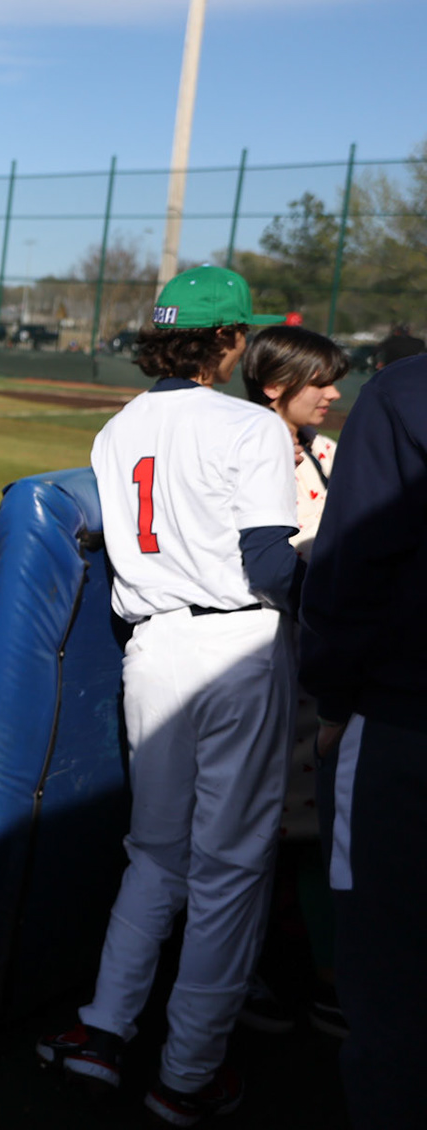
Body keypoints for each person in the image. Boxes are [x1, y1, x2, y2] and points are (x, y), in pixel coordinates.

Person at [37, 265, 296, 1127]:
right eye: (239, 333)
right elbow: (268, 567)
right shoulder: (251, 426)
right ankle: (188, 1071)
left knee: (154, 852)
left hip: (151, 649)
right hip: (235, 647)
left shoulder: (118, 429)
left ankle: (104, 1031)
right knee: (229, 867)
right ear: (224, 342)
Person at [300, 352, 427, 1129]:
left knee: (391, 978)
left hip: (405, 721)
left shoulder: (405, 393)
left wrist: (335, 698)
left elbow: (352, 567)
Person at [237, 325, 350, 1039]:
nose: (336, 392)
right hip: (260, 668)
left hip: (323, 667)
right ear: (276, 386)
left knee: (316, 831)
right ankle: (263, 977)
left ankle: (322, 982)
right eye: (320, 381)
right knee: (257, 831)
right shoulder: (244, 452)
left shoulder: (332, 454)